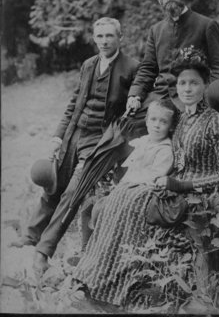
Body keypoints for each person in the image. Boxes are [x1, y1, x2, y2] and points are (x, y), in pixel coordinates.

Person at [72, 48, 219, 312]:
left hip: (206, 195)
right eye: (182, 83)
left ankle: (118, 289)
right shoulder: (180, 120)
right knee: (120, 197)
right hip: (174, 188)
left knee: (132, 202)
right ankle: (92, 279)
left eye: (194, 83)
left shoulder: (216, 121)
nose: (187, 89)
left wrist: (181, 185)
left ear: (205, 85)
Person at [12, 17, 139, 277]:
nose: (104, 41)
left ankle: (43, 252)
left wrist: (121, 140)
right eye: (100, 36)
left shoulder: (132, 68)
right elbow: (73, 104)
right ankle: (31, 236)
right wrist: (58, 137)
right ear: (94, 38)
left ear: (120, 38)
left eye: (109, 36)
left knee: (73, 192)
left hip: (101, 140)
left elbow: (137, 111)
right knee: (54, 185)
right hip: (75, 135)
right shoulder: (88, 65)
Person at [126, 0, 219, 123]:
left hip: (195, 97)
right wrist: (135, 95)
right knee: (128, 123)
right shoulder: (156, 30)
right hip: (161, 97)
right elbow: (148, 69)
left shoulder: (206, 25)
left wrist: (204, 102)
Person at [89, 99, 177, 229]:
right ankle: (90, 242)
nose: (157, 125)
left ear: (171, 126)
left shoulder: (165, 149)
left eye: (163, 122)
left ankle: (106, 234)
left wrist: (127, 184)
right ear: (146, 121)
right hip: (129, 186)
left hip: (144, 192)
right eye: (153, 119)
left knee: (107, 208)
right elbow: (131, 168)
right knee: (94, 205)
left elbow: (154, 176)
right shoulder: (143, 142)